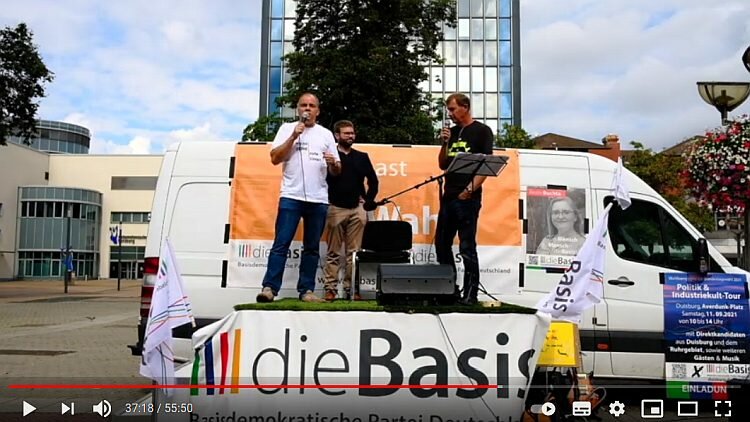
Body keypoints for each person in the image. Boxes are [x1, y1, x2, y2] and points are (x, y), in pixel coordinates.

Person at [256, 92, 342, 303]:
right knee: (281, 243)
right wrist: (294, 136)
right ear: (297, 109)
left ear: (318, 111)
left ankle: (306, 291)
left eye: (312, 105)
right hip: (291, 196)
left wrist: (334, 163)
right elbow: (275, 159)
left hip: (318, 199)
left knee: (311, 248)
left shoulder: (326, 134)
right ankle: (269, 288)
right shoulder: (287, 129)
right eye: (304, 105)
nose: (307, 109)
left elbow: (337, 171)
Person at [435, 93, 494, 305]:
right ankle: (449, 290)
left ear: (465, 107)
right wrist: (445, 143)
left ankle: (471, 294)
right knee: (441, 243)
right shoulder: (451, 132)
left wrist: (470, 189)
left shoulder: (482, 131)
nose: (450, 114)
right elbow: (443, 164)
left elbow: (487, 165)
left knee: (467, 246)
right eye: (448, 110)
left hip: (468, 197)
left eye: (452, 109)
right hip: (448, 195)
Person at [322, 120, 379, 301]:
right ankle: (330, 289)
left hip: (357, 210)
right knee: (333, 252)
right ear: (337, 136)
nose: (351, 136)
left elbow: (373, 181)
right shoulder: (330, 157)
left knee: (354, 254)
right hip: (335, 208)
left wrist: (368, 201)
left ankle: (351, 289)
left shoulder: (362, 157)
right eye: (346, 133)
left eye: (352, 133)